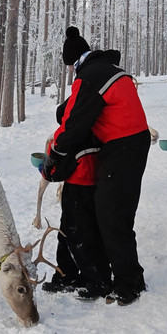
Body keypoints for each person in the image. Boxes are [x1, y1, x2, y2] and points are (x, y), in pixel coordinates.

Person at [44, 26, 152, 306]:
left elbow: (75, 123)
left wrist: (55, 154)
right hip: (131, 143)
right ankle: (120, 275)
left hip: (122, 146)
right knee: (112, 211)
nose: (71, 72)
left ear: (74, 61)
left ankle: (130, 282)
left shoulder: (88, 77)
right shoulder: (108, 69)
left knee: (112, 214)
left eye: (70, 67)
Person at [38, 99, 109, 296]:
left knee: (73, 234)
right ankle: (69, 275)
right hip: (96, 186)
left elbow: (56, 171)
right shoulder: (96, 131)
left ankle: (95, 281)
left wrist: (45, 169)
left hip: (78, 188)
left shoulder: (69, 138)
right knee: (81, 233)